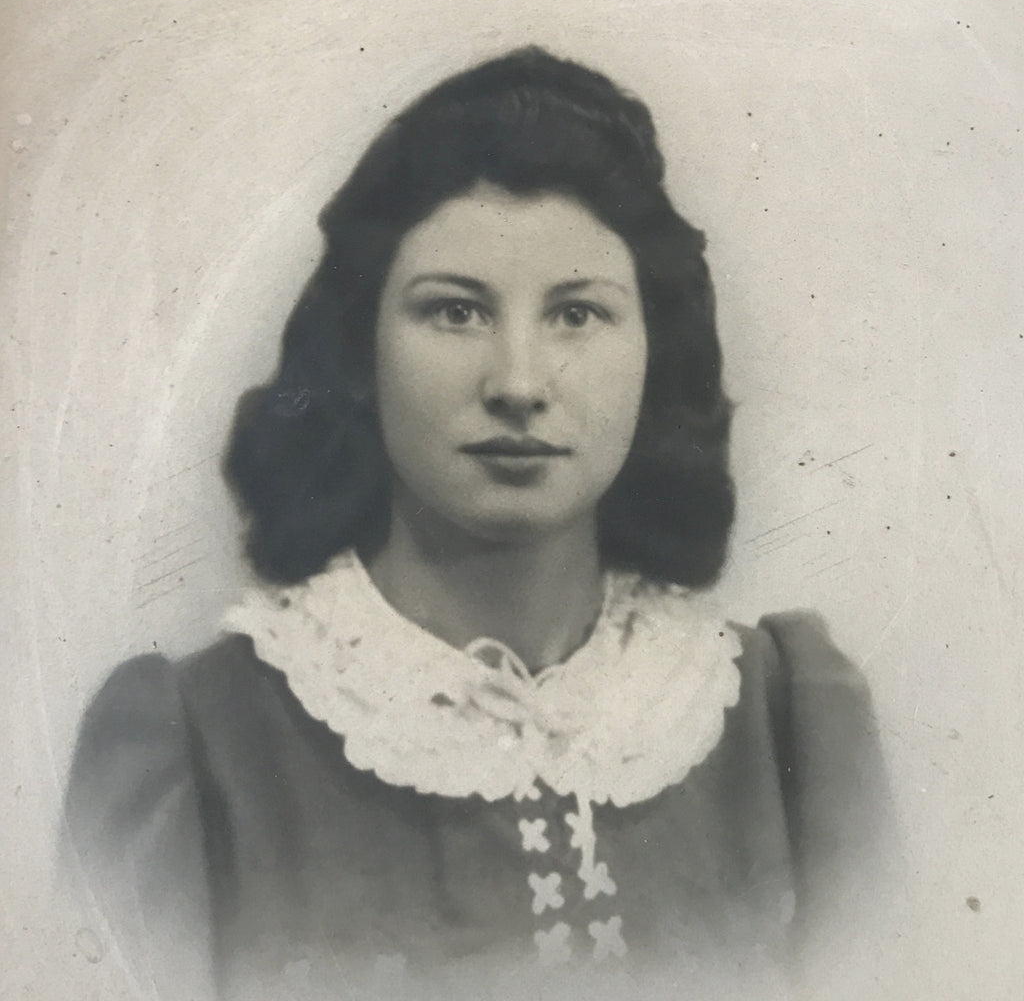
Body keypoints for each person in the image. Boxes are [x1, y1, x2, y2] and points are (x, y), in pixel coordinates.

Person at [61, 48, 895, 1001]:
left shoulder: (789, 724)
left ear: (654, 357)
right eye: (455, 312)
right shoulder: (189, 742)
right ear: (361, 354)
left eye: (578, 315)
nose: (519, 384)